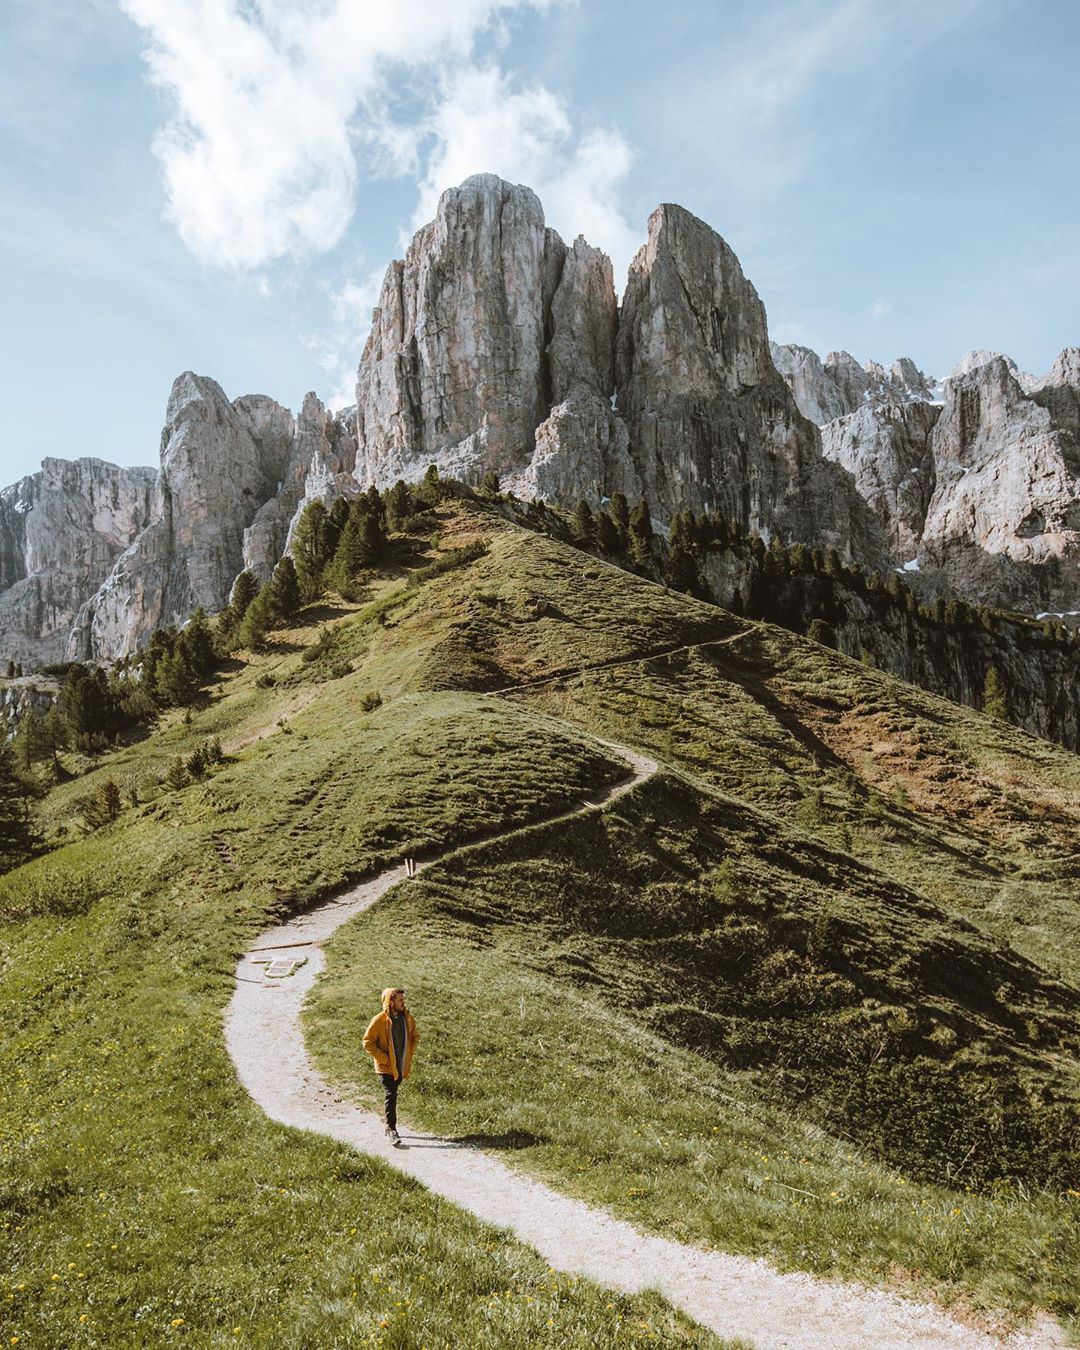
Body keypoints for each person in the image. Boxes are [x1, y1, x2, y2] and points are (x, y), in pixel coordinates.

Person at [362, 987, 419, 1146]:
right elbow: (367, 1042)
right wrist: (384, 1059)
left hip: (400, 1065)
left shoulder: (407, 1018)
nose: (403, 1003)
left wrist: (408, 1053)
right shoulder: (379, 1020)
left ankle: (390, 1125)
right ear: (391, 1001)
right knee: (391, 1093)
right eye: (400, 1000)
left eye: (403, 1000)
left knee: (393, 1092)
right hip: (386, 1067)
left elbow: (415, 1037)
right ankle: (391, 1128)